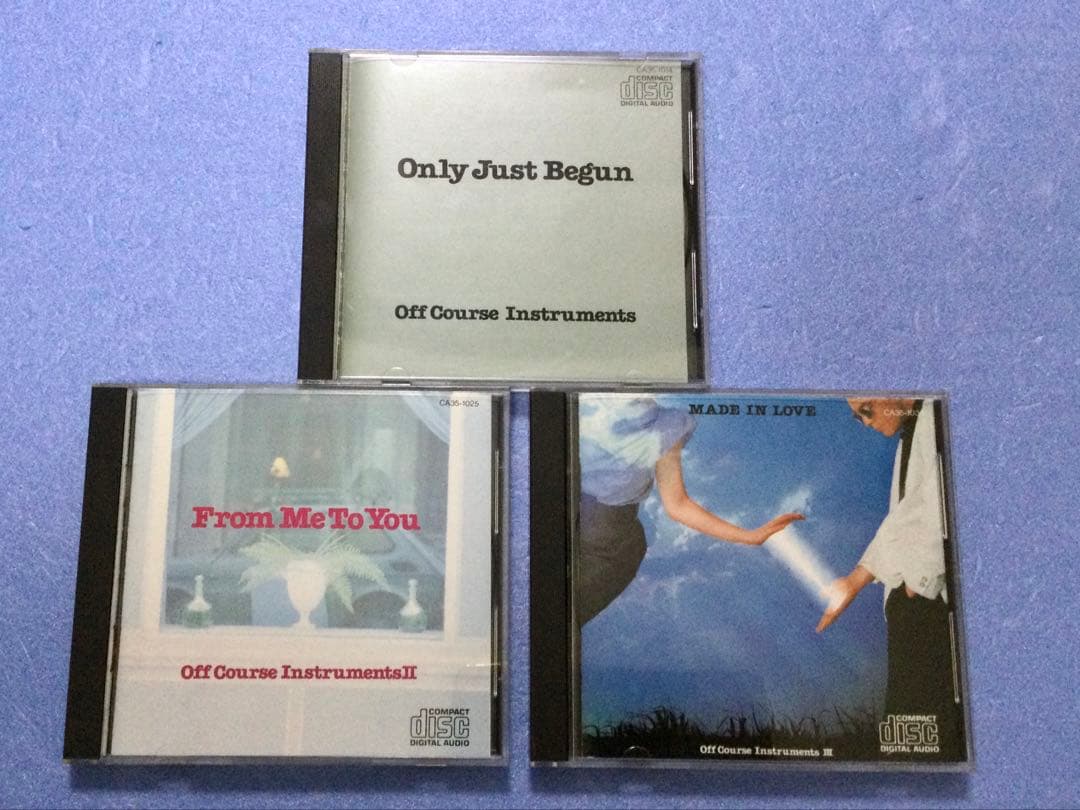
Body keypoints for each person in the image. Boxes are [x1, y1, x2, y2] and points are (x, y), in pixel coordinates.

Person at [576, 396, 803, 625]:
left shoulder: (665, 424)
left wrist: (749, 536)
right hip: (598, 536)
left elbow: (677, 505)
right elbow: (677, 505)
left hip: (603, 536)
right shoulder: (588, 404)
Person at [816, 397, 961, 754]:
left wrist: (915, 588)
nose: (866, 422)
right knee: (905, 742)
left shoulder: (937, 418)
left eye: (866, 409)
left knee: (926, 742)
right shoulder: (911, 435)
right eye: (857, 418)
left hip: (926, 604)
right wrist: (854, 582)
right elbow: (902, 520)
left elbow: (936, 505)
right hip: (909, 605)